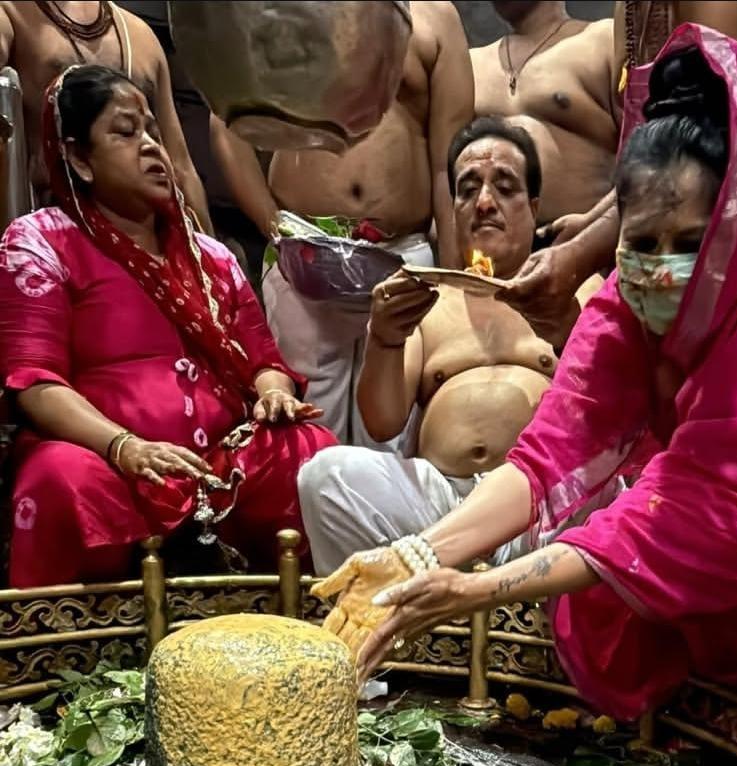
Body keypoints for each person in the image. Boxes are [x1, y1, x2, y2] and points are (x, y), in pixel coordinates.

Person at [311, 26, 737, 735]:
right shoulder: (624, 297)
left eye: (688, 243)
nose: (657, 268)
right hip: (729, 511)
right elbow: (551, 450)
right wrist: (416, 554)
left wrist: (474, 588)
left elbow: (681, 517)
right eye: (641, 241)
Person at [0, 64, 337, 588]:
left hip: (217, 469)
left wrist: (274, 395)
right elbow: (35, 383)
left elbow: (265, 363)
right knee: (58, 477)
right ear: (79, 159)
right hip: (109, 461)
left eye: (153, 131)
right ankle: (71, 654)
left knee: (311, 449)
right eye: (126, 132)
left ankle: (303, 630)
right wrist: (125, 447)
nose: (152, 146)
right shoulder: (41, 241)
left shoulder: (212, 257)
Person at [299, 116, 602, 577]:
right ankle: (389, 615)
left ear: (533, 206)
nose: (484, 202)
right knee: (325, 476)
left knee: (620, 489)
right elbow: (381, 424)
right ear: (453, 209)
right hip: (440, 503)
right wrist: (384, 336)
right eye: (467, 189)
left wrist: (566, 330)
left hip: (543, 503)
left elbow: (614, 408)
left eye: (505, 187)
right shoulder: (428, 300)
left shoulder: (580, 289)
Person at [210, 0, 473, 447]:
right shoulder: (283, 9)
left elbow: (450, 161)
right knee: (306, 424)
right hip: (303, 251)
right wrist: (273, 224)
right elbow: (226, 122)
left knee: (398, 431)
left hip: (403, 256)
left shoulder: (437, 17)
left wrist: (450, 280)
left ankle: (387, 519)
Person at [496, 2, 737, 343]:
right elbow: (650, 146)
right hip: (654, 247)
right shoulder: (629, 6)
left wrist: (580, 254)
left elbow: (695, 157)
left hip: (735, 248)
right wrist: (589, 224)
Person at [0, 0, 210, 229]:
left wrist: (207, 254)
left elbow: (181, 167)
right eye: (125, 130)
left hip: (150, 238)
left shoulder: (142, 38)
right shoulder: (11, 13)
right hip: (55, 231)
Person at [470, 1, 618, 232]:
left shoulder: (604, 40)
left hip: (587, 241)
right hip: (489, 248)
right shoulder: (470, 64)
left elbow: (644, 151)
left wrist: (593, 227)